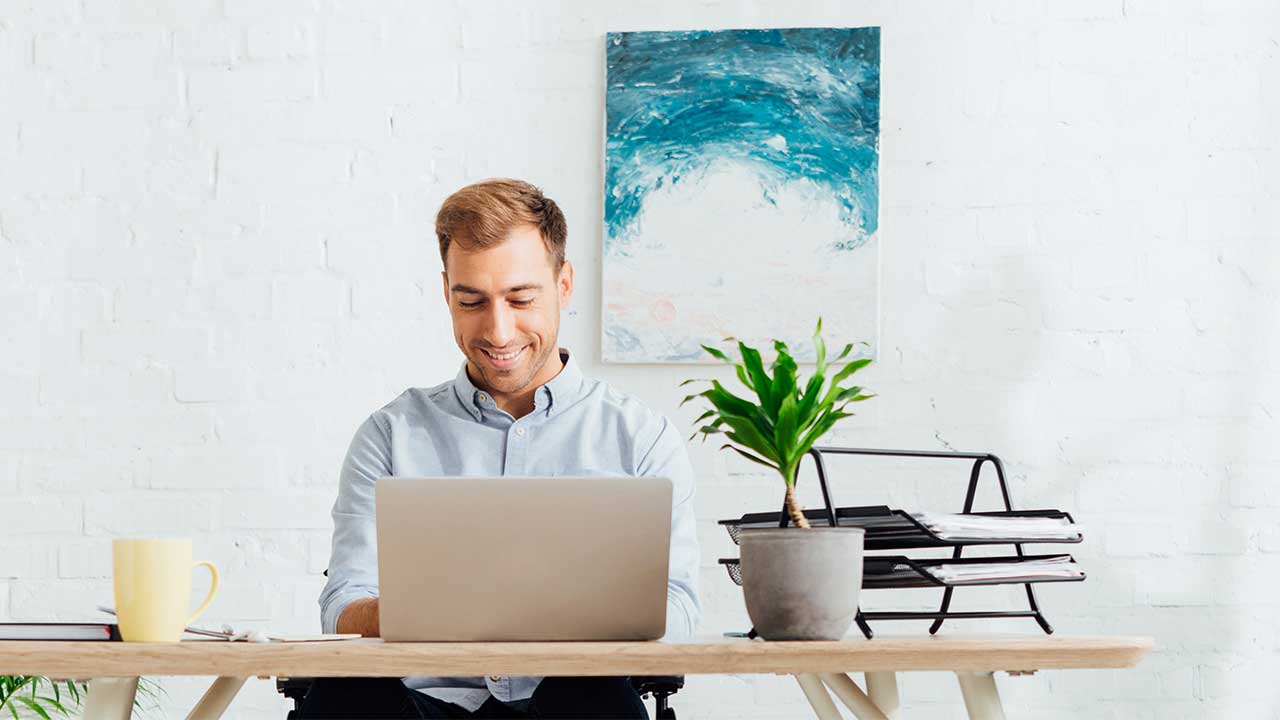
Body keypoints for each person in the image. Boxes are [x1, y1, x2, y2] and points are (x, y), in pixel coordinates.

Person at [300, 178, 701, 719]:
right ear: (446, 293)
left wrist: (542, 613)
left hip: (570, 702)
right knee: (341, 694)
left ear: (564, 285)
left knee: (598, 698)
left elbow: (676, 613)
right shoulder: (390, 435)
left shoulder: (639, 438)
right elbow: (341, 610)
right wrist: (426, 610)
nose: (498, 330)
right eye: (472, 301)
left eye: (521, 299)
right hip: (425, 707)